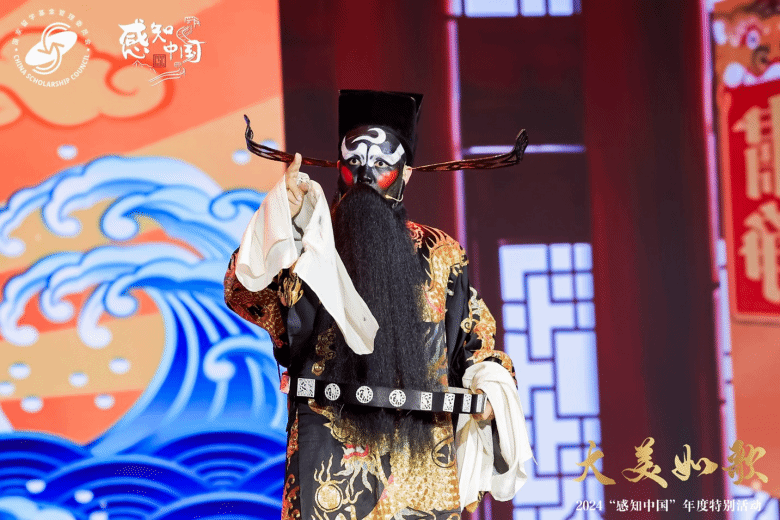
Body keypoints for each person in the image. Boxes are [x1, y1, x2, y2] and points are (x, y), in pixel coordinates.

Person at [224, 90, 532, 520]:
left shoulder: (441, 253)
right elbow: (246, 294)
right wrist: (282, 222)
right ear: (337, 167)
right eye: (353, 162)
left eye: (382, 163)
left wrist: (491, 384)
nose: (365, 175)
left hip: (422, 455)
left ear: (407, 174)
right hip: (327, 453)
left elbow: (475, 344)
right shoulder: (309, 249)